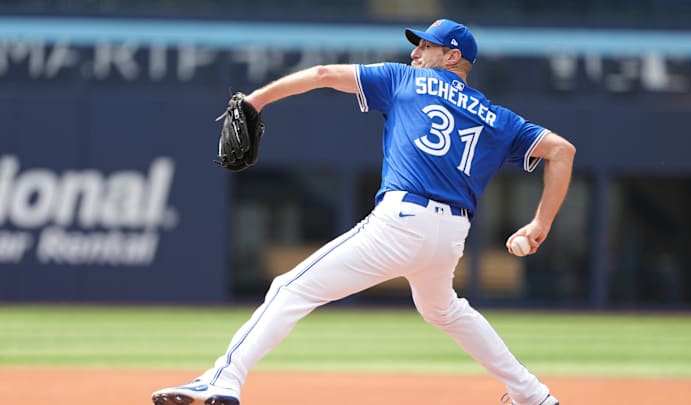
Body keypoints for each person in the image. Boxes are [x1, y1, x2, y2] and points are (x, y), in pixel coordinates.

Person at [152, 18, 574, 405]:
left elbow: (321, 75)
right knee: (442, 309)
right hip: (450, 236)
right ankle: (532, 395)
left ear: (452, 56)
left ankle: (221, 381)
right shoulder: (498, 118)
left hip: (403, 220)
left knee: (290, 288)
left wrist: (256, 100)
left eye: (425, 46)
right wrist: (540, 223)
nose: (414, 53)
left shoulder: (405, 79)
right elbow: (562, 150)